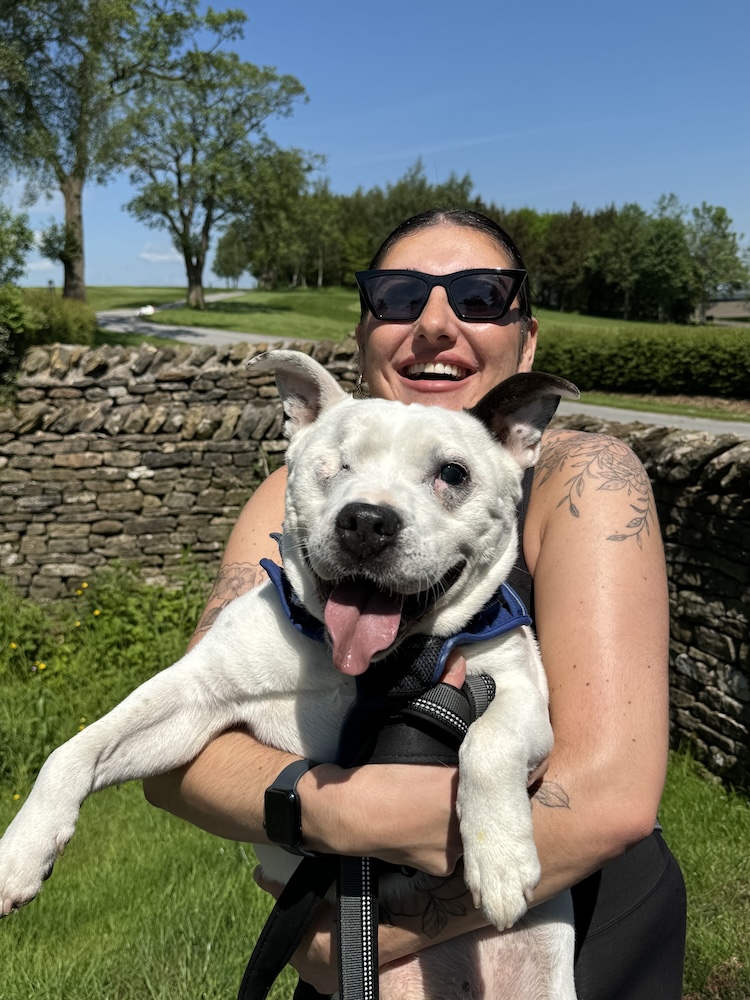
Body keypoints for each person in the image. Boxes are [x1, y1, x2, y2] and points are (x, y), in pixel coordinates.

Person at [143, 209, 686, 999]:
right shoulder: (290, 497)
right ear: (364, 338)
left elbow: (608, 801)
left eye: (480, 296)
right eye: (398, 298)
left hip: (573, 952)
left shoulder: (583, 480)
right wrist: (340, 824)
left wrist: (359, 940)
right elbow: (176, 758)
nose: (435, 324)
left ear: (526, 341)